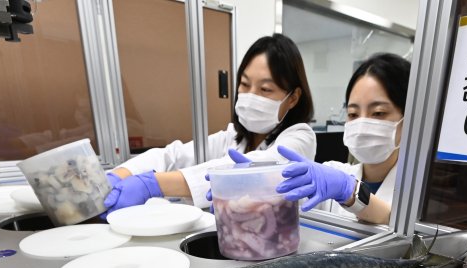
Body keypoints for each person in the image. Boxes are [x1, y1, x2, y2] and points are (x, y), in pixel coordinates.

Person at [103, 34, 316, 212]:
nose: (250, 96)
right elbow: (173, 156)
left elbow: (252, 172)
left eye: (265, 89)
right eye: (244, 84)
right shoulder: (232, 137)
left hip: (279, 244)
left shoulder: (300, 137)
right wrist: (118, 176)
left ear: (294, 98)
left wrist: (154, 184)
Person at [274, 53, 410, 225]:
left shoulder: (420, 194)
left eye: (378, 113)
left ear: (409, 119)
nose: (361, 125)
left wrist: (351, 191)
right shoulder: (333, 175)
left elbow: (402, 225)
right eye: (353, 114)